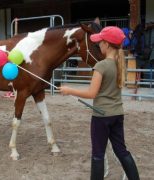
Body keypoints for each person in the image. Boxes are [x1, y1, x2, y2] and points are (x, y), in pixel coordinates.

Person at [58, 26, 140, 180]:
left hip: (101, 117)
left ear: (107, 44)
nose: (99, 45)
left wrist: (69, 90)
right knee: (122, 151)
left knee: (98, 154)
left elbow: (91, 93)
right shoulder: (120, 63)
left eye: (100, 42)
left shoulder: (101, 66)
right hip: (117, 114)